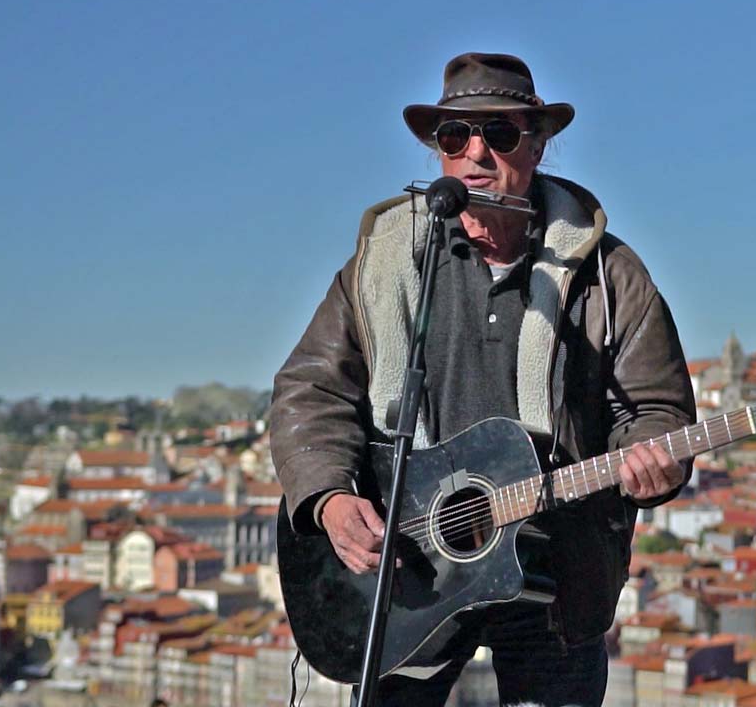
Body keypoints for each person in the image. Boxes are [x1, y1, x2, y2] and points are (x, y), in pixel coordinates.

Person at [270, 52, 696, 706]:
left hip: (556, 569)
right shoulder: (384, 263)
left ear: (539, 143)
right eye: (454, 136)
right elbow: (312, 388)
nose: (476, 153)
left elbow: (657, 408)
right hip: (412, 569)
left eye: (499, 134)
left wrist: (655, 459)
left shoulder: (609, 277)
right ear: (438, 152)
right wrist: (328, 498)